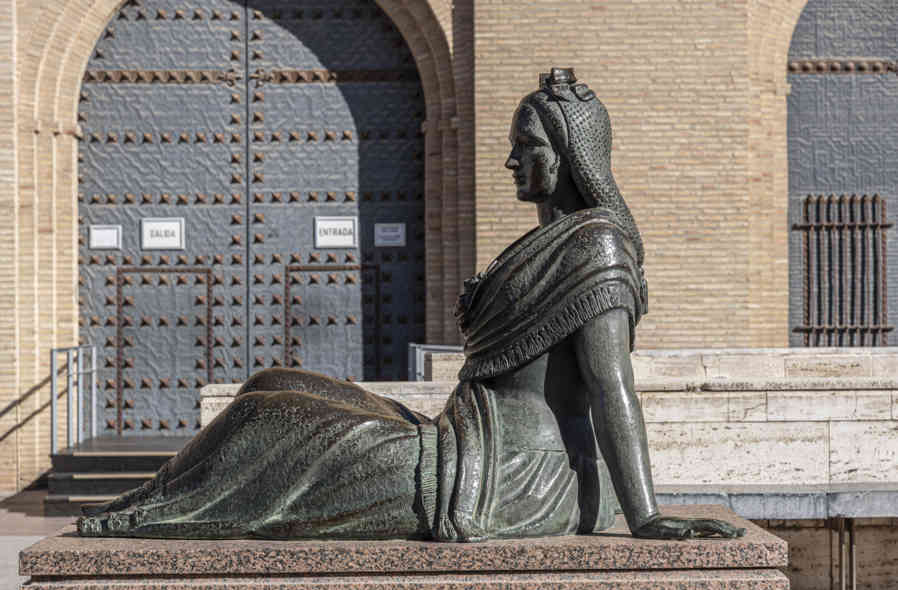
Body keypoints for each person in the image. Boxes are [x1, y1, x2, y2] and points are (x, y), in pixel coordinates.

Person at [77, 68, 743, 541]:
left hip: (510, 478)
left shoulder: (595, 248)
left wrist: (646, 515)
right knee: (270, 385)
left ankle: (151, 511)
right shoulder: (549, 242)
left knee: (266, 419)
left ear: (570, 157)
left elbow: (612, 388)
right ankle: (157, 498)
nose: (512, 160)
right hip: (464, 438)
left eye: (527, 147)